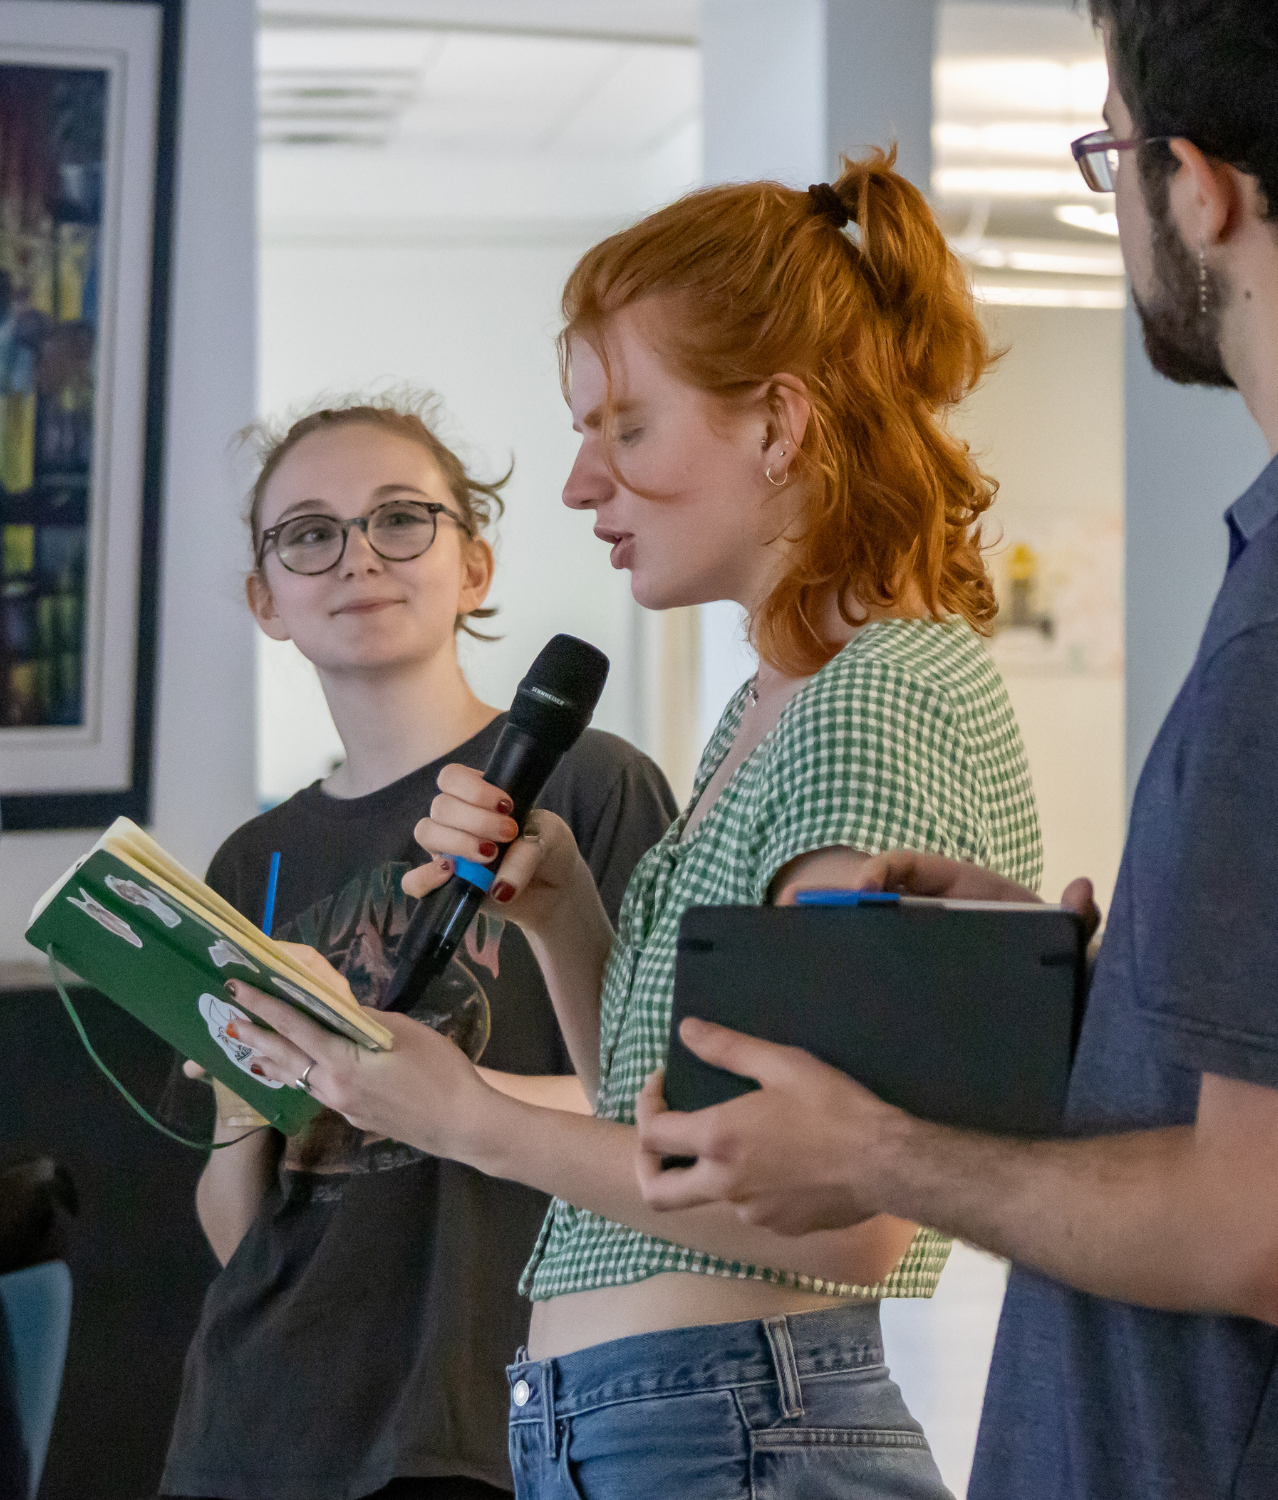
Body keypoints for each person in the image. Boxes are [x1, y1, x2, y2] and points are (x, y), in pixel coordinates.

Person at [631, 3, 1278, 1497]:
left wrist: (879, 1153)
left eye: (1111, 155)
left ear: (1201, 187)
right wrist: (1119, 1002)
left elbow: (1268, 1234)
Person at [223, 152, 1043, 1498]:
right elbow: (671, 1112)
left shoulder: (878, 701)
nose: (577, 485)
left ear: (778, 425)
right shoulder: (773, 709)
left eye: (625, 427)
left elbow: (840, 1220)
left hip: (724, 1426)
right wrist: (562, 916)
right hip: (649, 1424)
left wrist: (467, 1116)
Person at [157, 398, 677, 1500]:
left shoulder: (587, 787)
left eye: (401, 519)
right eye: (309, 533)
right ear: (268, 599)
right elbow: (242, 1222)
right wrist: (255, 1108)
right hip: (257, 1425)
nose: (356, 559)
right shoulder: (255, 862)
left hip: (493, 1414)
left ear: (473, 565)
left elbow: (658, 1110)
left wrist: (433, 1090)